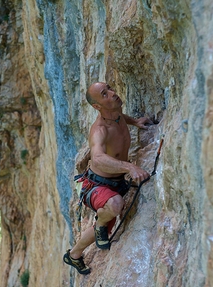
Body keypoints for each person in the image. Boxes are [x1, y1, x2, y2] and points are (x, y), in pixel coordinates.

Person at [63, 82, 152, 275]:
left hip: (115, 182)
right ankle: (102, 224)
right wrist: (130, 166)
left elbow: (120, 119)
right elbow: (98, 158)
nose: (113, 93)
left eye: (110, 88)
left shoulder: (116, 114)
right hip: (97, 185)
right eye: (105, 94)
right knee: (114, 205)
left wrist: (135, 121)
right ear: (97, 106)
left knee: (104, 220)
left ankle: (74, 254)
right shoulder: (99, 130)